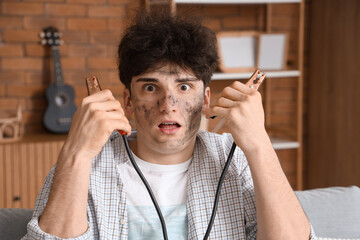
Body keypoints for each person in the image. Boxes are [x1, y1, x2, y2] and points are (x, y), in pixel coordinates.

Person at [23, 10, 316, 240]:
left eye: (185, 87)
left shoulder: (235, 162)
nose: (168, 104)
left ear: (206, 99)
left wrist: (259, 144)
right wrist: (77, 152)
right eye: (151, 88)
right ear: (128, 100)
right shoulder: (87, 164)